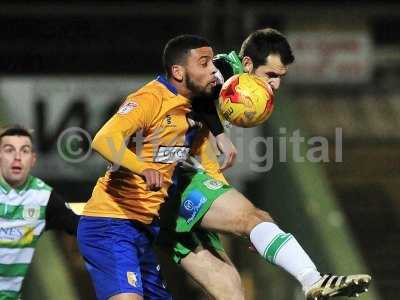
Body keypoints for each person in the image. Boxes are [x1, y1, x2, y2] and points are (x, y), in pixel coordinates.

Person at [159, 28, 371, 300]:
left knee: (231, 289)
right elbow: (195, 94)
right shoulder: (223, 68)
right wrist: (221, 135)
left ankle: (312, 280)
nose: (275, 85)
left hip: (175, 182)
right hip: (165, 180)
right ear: (247, 64)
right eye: (270, 75)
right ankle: (313, 279)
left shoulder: (226, 80)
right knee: (253, 219)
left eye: (281, 77)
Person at [76, 34, 224, 300]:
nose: (213, 68)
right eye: (204, 62)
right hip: (110, 223)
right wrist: (142, 168)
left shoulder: (192, 112)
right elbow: (103, 140)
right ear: (178, 72)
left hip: (144, 230)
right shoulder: (149, 99)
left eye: (212, 61)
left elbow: (211, 171)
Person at [0, 124, 79, 300]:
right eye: (9, 150)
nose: (17, 157)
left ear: (33, 159)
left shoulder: (42, 197)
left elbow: (82, 226)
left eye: (25, 150)